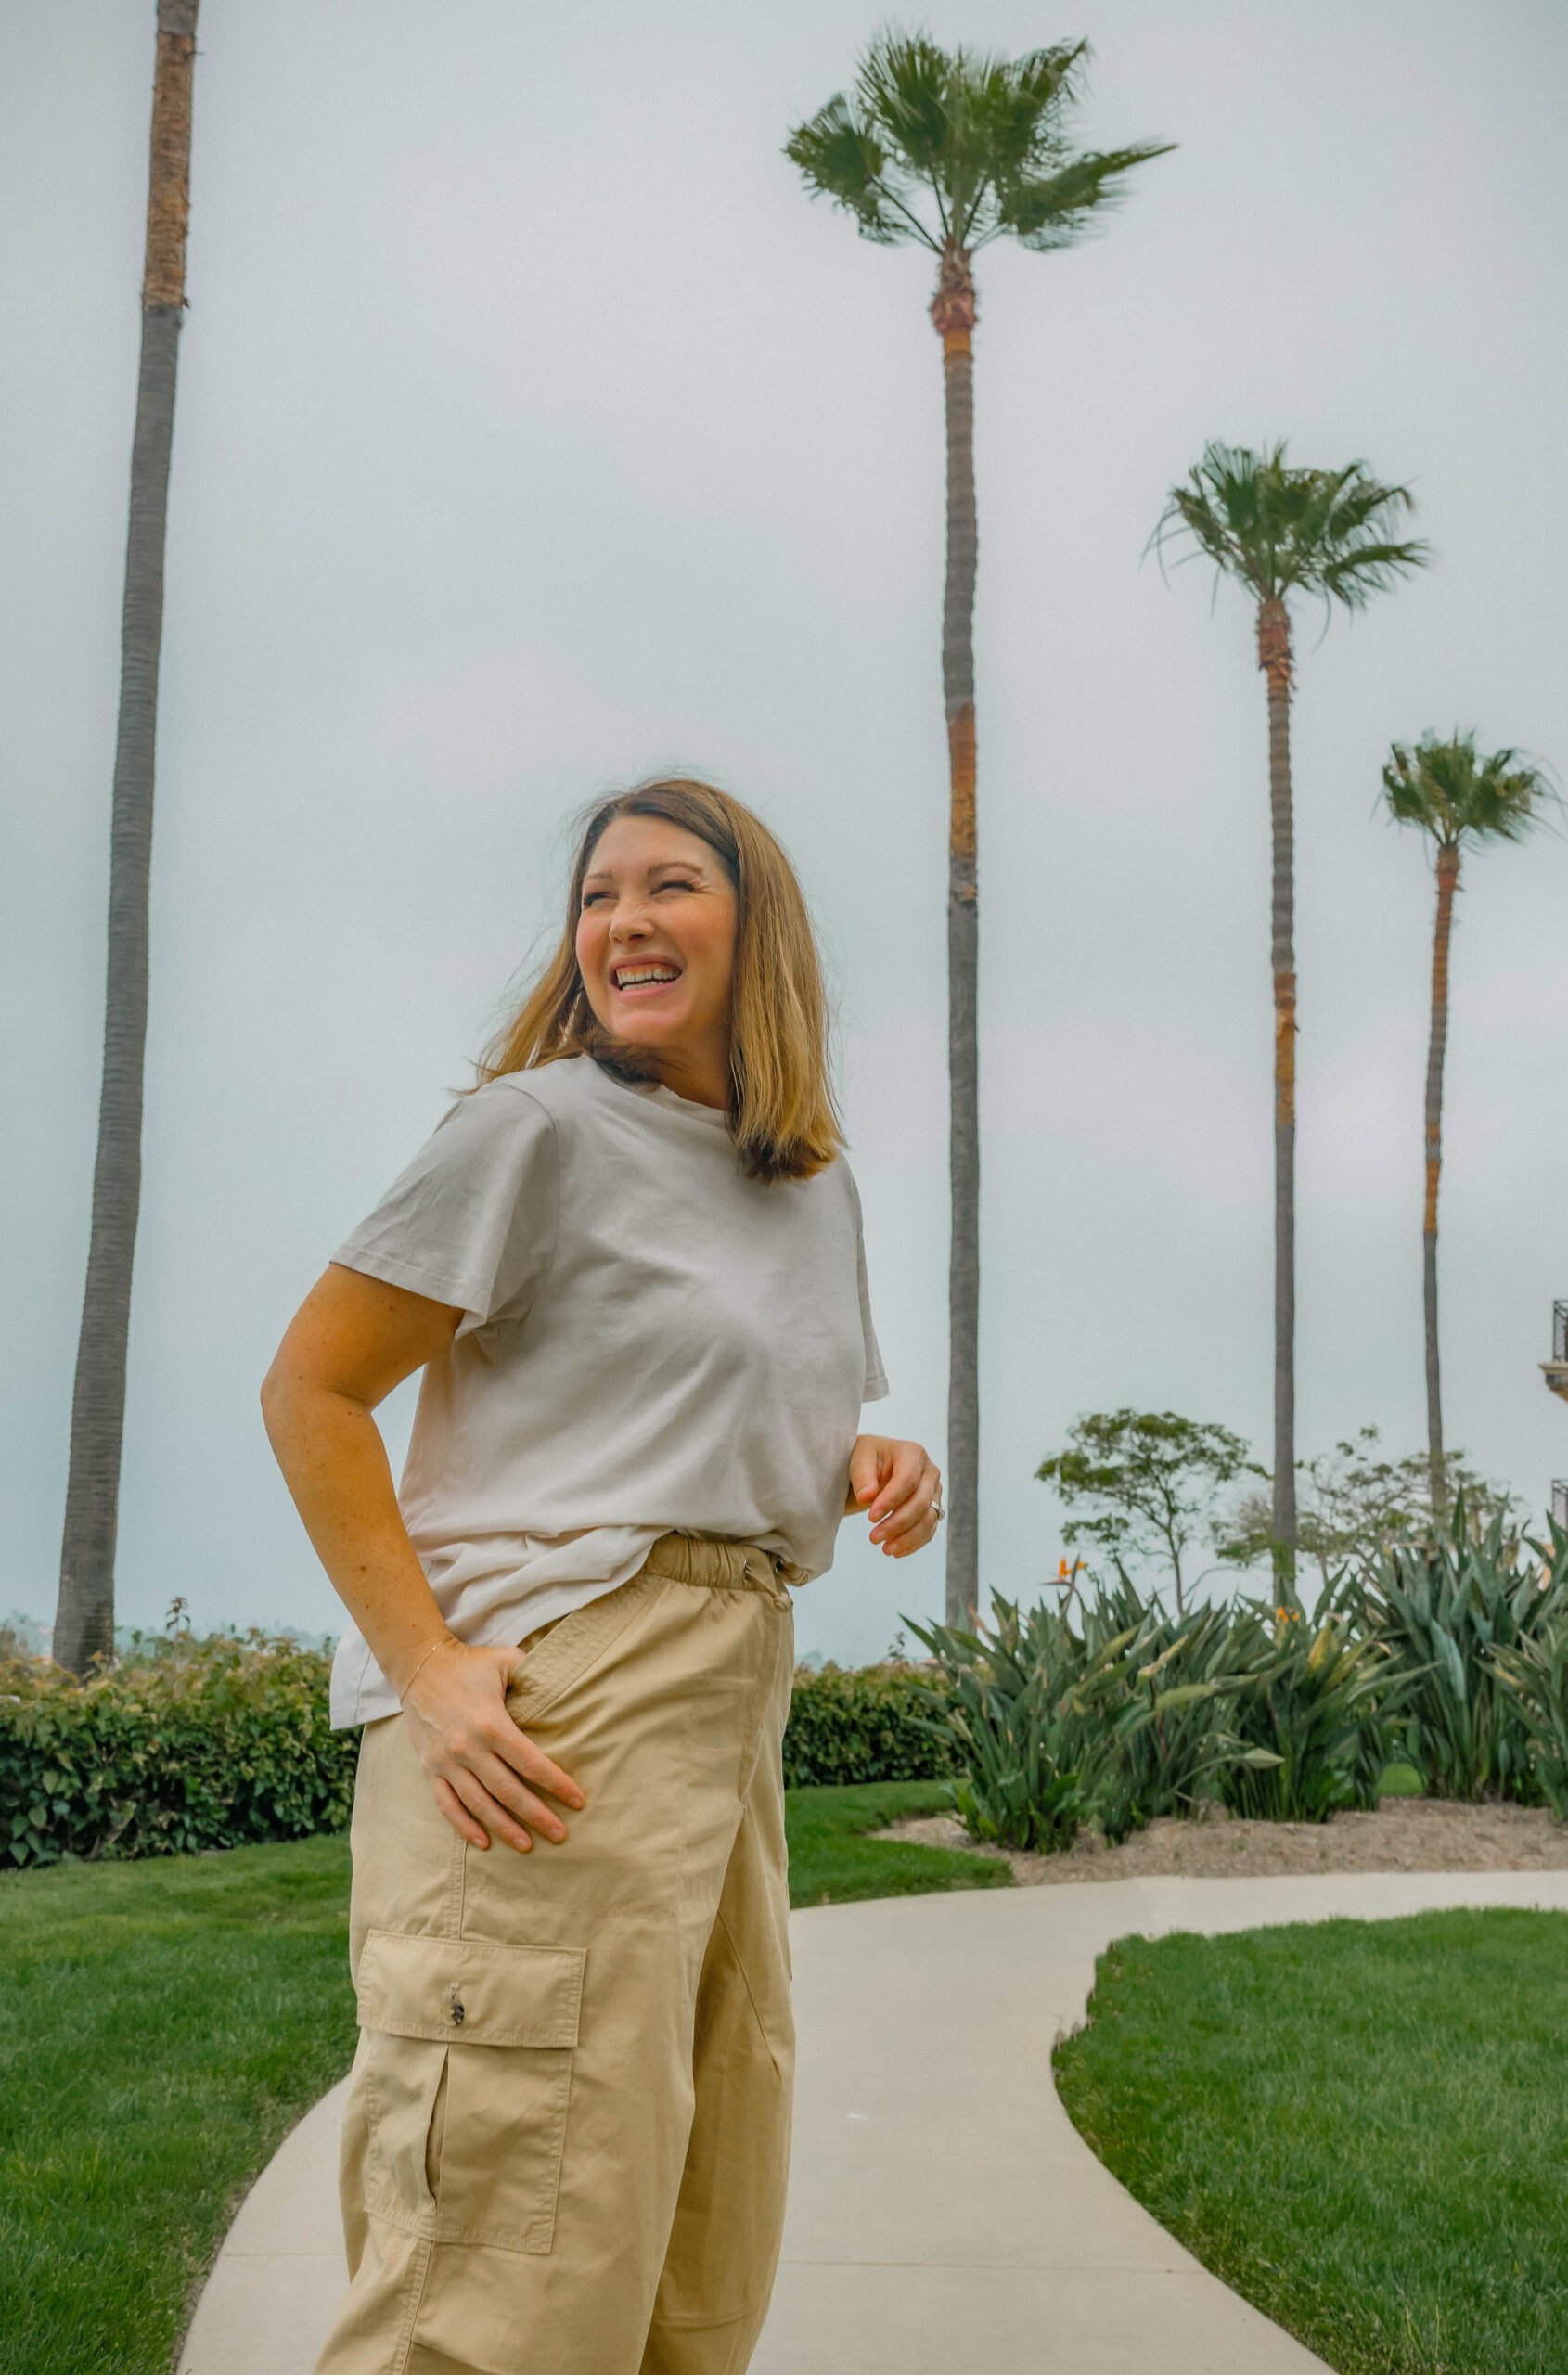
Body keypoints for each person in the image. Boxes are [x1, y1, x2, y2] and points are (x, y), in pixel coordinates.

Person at [261, 775, 942, 2375]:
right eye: (598, 897)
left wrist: (864, 1465)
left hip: (728, 1692)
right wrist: (430, 1673)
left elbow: (724, 1410)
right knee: (502, 2261)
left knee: (688, 2235)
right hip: (557, 1702)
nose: (624, 921)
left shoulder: (807, 1181)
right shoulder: (535, 1129)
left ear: (754, 925)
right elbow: (313, 1389)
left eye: (669, 886)